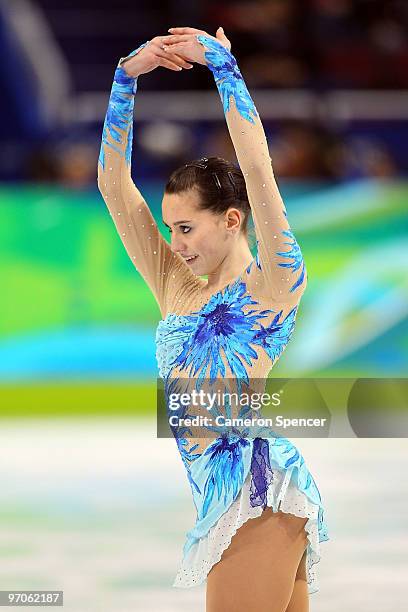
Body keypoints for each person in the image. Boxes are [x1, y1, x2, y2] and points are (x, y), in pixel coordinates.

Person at [97, 25, 329, 612]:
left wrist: (224, 68)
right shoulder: (177, 288)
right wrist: (126, 78)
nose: (173, 243)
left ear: (230, 220)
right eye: (169, 228)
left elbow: (258, 173)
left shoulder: (273, 283)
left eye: (185, 227)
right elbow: (114, 185)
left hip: (255, 493)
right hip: (228, 496)